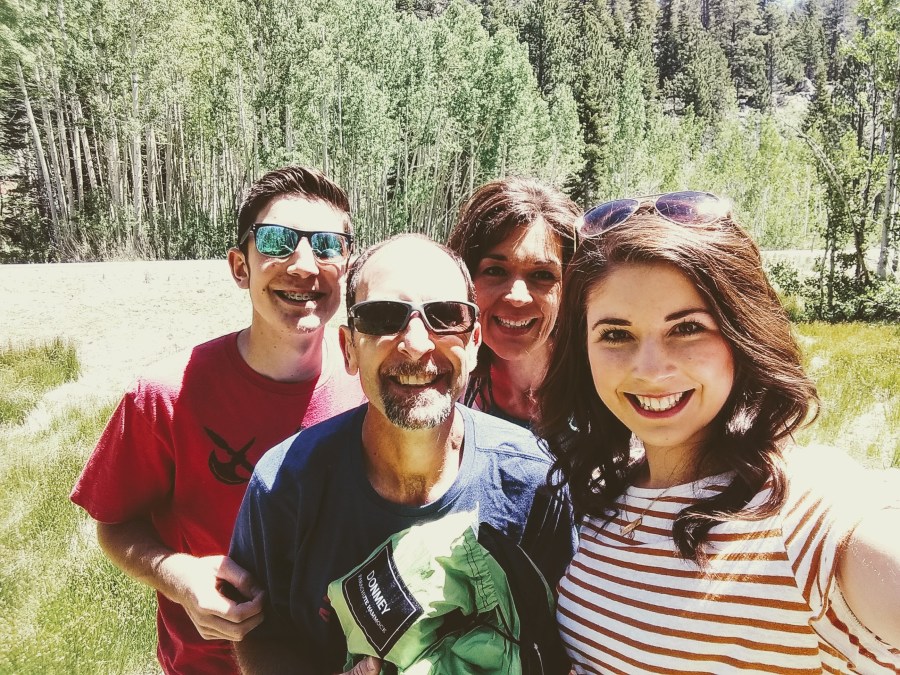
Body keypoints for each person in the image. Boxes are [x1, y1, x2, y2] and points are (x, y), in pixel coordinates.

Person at [537, 191, 900, 673]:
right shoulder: (609, 491)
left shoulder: (806, 513)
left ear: (741, 332)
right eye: (616, 334)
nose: (651, 370)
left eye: (687, 328)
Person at [229, 234, 577, 674]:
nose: (416, 344)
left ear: (473, 343)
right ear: (349, 349)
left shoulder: (535, 482)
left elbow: (561, 642)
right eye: (382, 317)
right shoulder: (284, 484)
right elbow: (260, 631)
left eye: (445, 316)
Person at [70, 166, 366, 675]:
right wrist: (178, 574)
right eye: (276, 241)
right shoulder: (165, 395)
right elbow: (114, 523)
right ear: (239, 266)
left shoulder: (372, 387)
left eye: (326, 245)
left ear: (348, 269)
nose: (303, 265)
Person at [447, 177, 579, 427]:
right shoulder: (445, 388)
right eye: (495, 271)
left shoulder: (603, 389)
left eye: (542, 275)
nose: (517, 297)